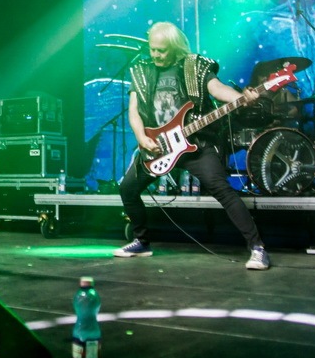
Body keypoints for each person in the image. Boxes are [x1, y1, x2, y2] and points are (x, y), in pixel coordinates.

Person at [114, 22, 270, 270]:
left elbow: (217, 89)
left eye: (162, 50)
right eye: (153, 49)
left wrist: (241, 98)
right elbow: (134, 110)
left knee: (222, 190)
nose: (155, 55)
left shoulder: (194, 66)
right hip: (159, 146)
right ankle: (141, 241)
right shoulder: (142, 71)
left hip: (195, 143)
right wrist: (142, 137)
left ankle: (257, 248)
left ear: (175, 47)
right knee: (127, 188)